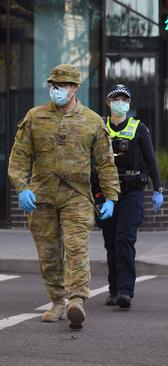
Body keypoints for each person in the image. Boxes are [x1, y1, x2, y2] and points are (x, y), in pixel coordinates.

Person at [8, 64, 119, 330]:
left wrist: (111, 196)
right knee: (48, 253)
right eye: (54, 85)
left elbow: (105, 163)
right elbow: (19, 156)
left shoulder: (92, 121)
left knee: (76, 248)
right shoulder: (35, 117)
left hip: (76, 196)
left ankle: (77, 300)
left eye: (64, 86)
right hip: (41, 195)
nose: (57, 90)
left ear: (75, 88)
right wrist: (21, 187)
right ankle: (57, 300)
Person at [99, 84, 164, 310]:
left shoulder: (139, 129)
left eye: (124, 99)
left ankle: (125, 291)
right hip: (106, 193)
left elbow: (150, 160)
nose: (121, 102)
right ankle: (113, 289)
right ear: (109, 102)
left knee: (125, 239)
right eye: (116, 98)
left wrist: (158, 189)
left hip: (132, 192)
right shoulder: (101, 127)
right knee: (111, 243)